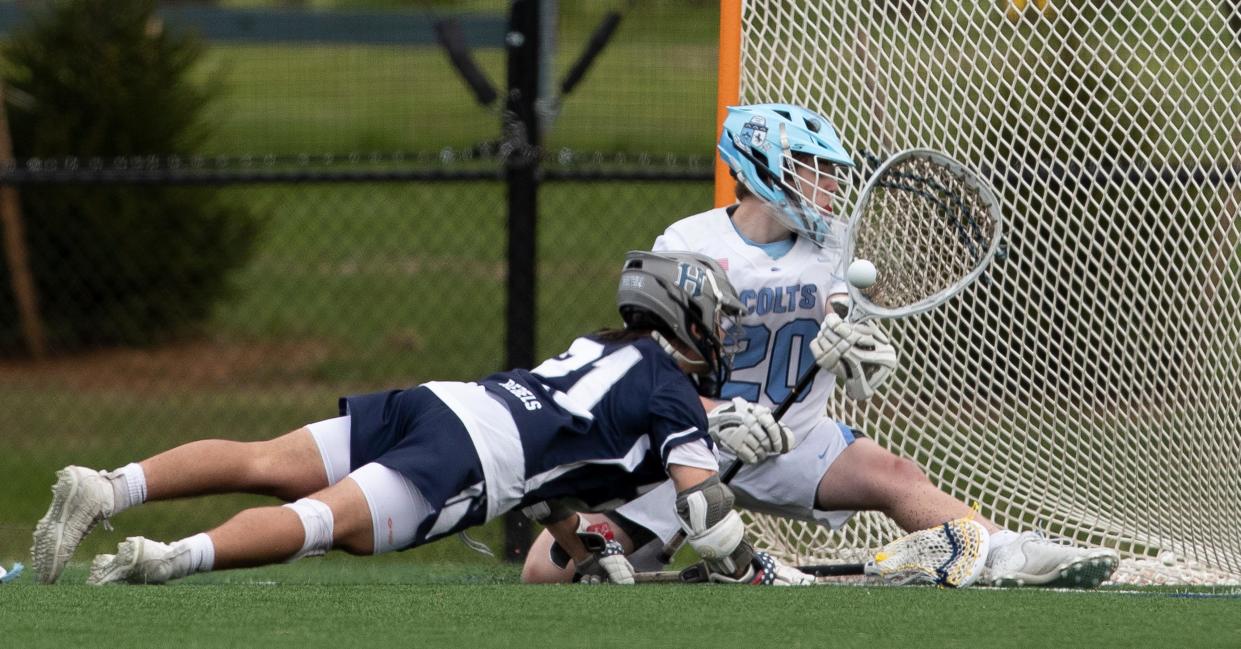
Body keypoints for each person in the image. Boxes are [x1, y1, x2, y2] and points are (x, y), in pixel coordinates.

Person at [521, 103, 1121, 588]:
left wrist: (856, 348)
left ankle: (1005, 551)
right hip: (695, 440)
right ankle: (661, 550)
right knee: (547, 573)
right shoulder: (688, 242)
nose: (831, 183)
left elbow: (844, 316)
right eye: (813, 166)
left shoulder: (834, 240)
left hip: (796, 436)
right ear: (762, 167)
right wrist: (716, 415)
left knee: (894, 473)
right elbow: (653, 372)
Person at [30, 250, 814, 587]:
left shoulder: (600, 348)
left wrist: (581, 549)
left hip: (441, 401)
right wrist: (750, 566)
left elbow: (549, 482)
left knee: (261, 457)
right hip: (470, 454)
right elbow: (705, 511)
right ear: (689, 315)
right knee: (319, 522)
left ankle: (108, 486)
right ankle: (163, 557)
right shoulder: (671, 388)